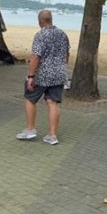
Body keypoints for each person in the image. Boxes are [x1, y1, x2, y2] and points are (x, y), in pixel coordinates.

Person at [16, 10, 70, 145]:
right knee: (53, 102)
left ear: (40, 21)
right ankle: (52, 135)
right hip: (59, 73)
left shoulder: (40, 35)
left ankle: (30, 129)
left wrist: (31, 76)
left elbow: (35, 57)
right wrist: (61, 67)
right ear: (51, 20)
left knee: (30, 98)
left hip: (43, 74)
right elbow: (66, 54)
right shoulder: (62, 34)